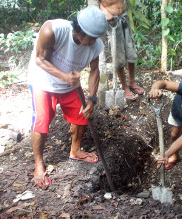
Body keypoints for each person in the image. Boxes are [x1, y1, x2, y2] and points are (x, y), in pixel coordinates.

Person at [27, 7, 108, 188]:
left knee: (81, 116)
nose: (94, 42)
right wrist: (64, 76)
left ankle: (76, 150)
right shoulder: (52, 31)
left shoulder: (95, 46)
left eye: (97, 38)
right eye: (92, 37)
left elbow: (95, 71)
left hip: (70, 84)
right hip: (43, 81)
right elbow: (40, 59)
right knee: (41, 120)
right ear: (79, 30)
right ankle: (38, 164)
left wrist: (92, 98)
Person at [89, 0, 144, 100]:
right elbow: (93, 4)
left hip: (124, 16)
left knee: (131, 52)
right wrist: (105, 11)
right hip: (112, 20)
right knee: (118, 55)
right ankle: (124, 87)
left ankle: (132, 82)